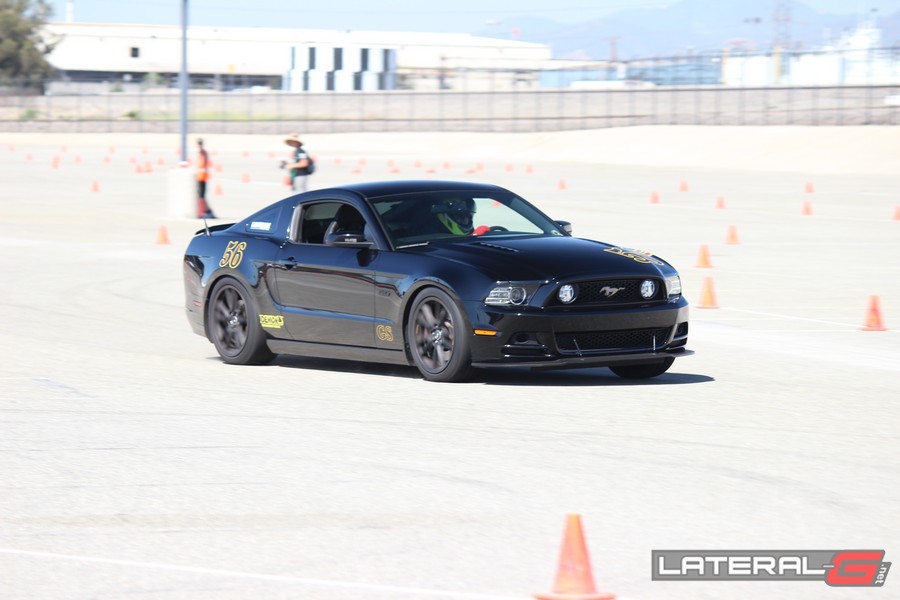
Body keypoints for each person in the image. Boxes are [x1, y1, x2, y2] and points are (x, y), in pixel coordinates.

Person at [196, 138, 215, 218]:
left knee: (201, 196)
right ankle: (205, 211)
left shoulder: (203, 153)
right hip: (200, 177)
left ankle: (204, 212)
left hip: (202, 177)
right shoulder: (201, 153)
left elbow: (204, 164)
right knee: (201, 196)